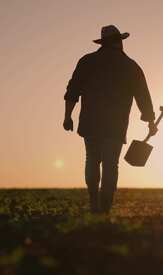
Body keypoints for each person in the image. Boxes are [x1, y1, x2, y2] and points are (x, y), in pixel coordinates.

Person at [63, 25, 157, 213]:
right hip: (116, 124)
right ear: (119, 42)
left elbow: (73, 90)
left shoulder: (87, 61)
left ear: (103, 43)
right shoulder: (130, 66)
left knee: (91, 159)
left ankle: (94, 203)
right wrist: (150, 120)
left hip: (91, 120)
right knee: (110, 163)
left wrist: (67, 116)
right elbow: (143, 95)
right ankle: (105, 208)